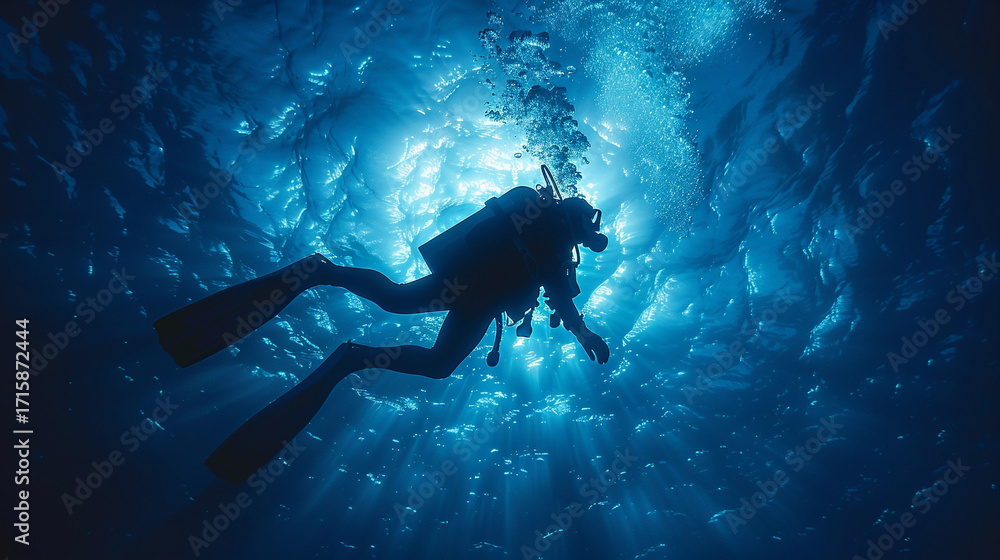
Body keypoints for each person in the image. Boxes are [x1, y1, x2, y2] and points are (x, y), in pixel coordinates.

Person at [154, 166, 610, 482]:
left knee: (419, 336)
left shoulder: (553, 246)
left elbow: (560, 299)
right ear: (577, 218)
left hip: (472, 294)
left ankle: (334, 304)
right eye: (589, 230)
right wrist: (583, 329)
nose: (590, 240)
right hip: (470, 286)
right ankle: (333, 303)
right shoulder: (554, 236)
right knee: (406, 317)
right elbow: (560, 297)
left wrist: (584, 330)